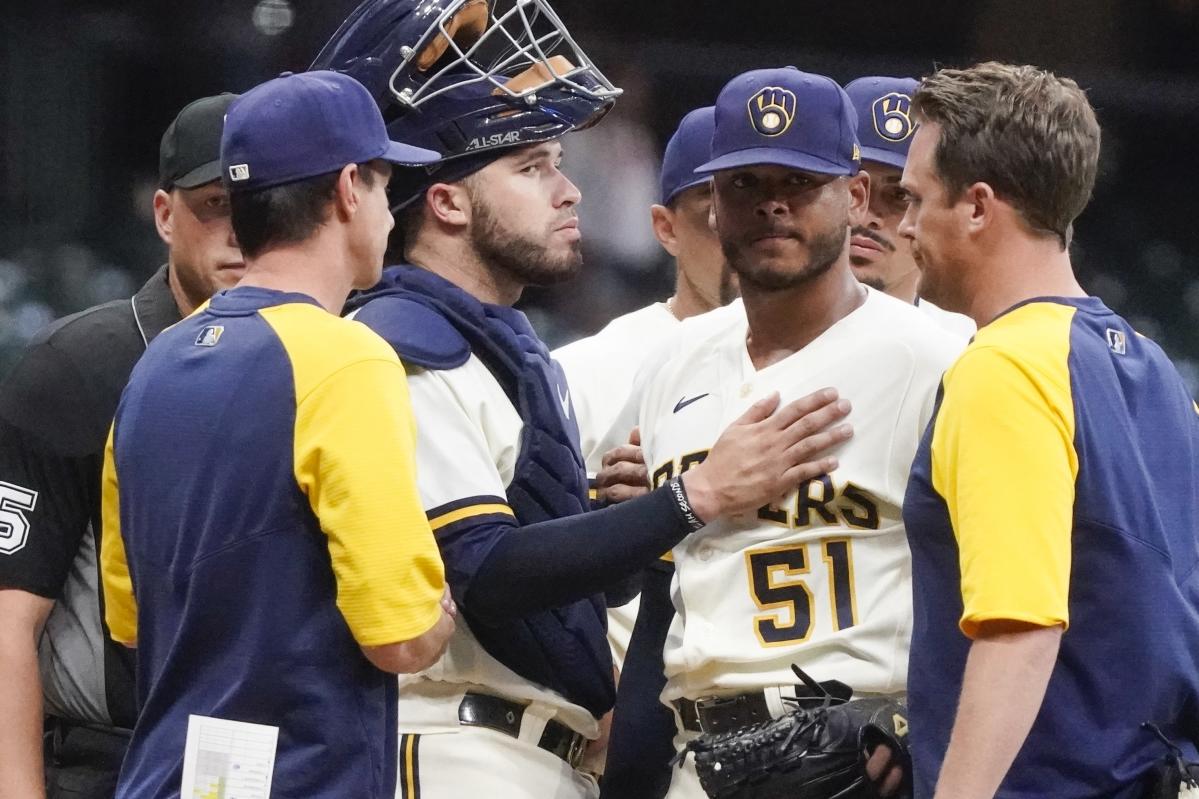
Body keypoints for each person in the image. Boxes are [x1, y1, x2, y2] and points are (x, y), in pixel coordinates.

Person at [314, 4, 854, 796]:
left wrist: (614, 521)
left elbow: (539, 593)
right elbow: (483, 575)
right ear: (448, 203)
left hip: (532, 751)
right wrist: (690, 498)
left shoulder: (499, 343)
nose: (569, 191)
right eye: (532, 167)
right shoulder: (405, 342)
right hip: (455, 742)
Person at [596, 66, 964, 799]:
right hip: (694, 757)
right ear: (709, 208)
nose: (770, 204)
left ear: (853, 197)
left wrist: (928, 724)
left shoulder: (936, 361)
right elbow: (639, 589)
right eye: (743, 183)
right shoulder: (672, 362)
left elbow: (993, 576)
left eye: (797, 183)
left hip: (855, 755)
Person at [99, 70, 455, 799]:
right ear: (349, 188)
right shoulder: (344, 355)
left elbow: (129, 621)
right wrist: (440, 612)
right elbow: (398, 634)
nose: (391, 215)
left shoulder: (154, 363)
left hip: (166, 777)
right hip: (301, 776)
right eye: (388, 187)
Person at [900, 62, 1199, 799]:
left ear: (975, 207)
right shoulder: (1153, 365)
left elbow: (1019, 631)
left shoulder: (1004, 367)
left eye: (912, 199)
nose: (903, 225)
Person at [0, 92, 241, 799]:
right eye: (215, 204)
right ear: (166, 215)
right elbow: (8, 618)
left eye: (259, 205)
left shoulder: (325, 364)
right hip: (106, 763)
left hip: (260, 765)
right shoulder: (81, 363)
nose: (238, 232)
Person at [553, 105, 734, 669]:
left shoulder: (839, 366)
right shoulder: (584, 372)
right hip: (620, 709)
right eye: (716, 212)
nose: (744, 233)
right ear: (665, 228)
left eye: (766, 205)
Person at [843, 76, 974, 338]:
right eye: (854, 191)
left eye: (901, 195)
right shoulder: (748, 328)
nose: (867, 216)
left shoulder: (964, 346)